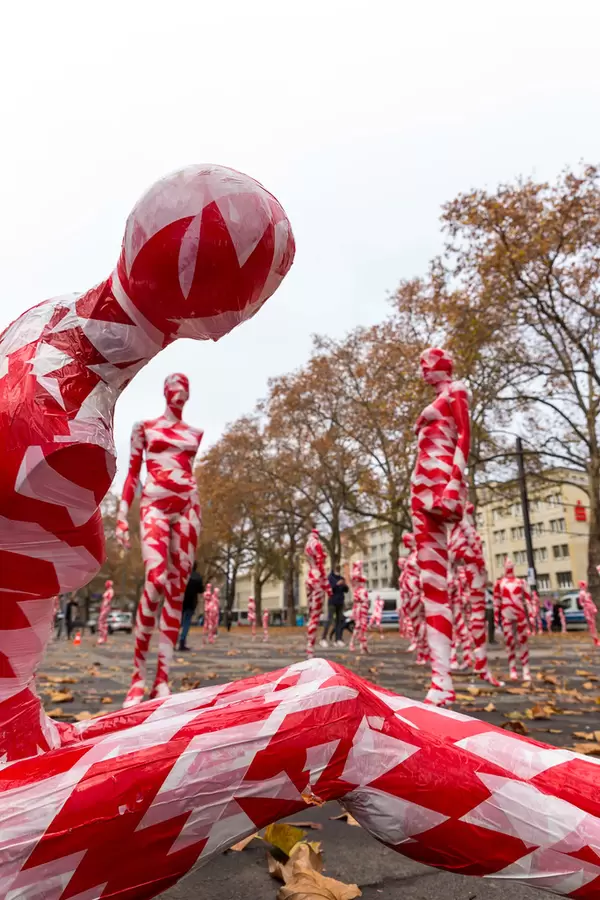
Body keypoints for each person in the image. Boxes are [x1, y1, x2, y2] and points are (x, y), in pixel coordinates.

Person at [320, 566, 349, 647]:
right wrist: (337, 584)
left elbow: (346, 590)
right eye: (337, 569)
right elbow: (329, 589)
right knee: (329, 620)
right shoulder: (330, 578)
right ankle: (323, 638)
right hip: (332, 602)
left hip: (340, 602)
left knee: (339, 621)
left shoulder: (341, 578)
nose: (338, 570)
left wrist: (344, 585)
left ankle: (338, 639)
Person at [178, 562, 204, 651]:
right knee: (187, 622)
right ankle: (182, 641)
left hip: (181, 600)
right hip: (191, 602)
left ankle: (173, 640)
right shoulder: (198, 577)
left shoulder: (183, 575)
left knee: (178, 621)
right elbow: (201, 590)